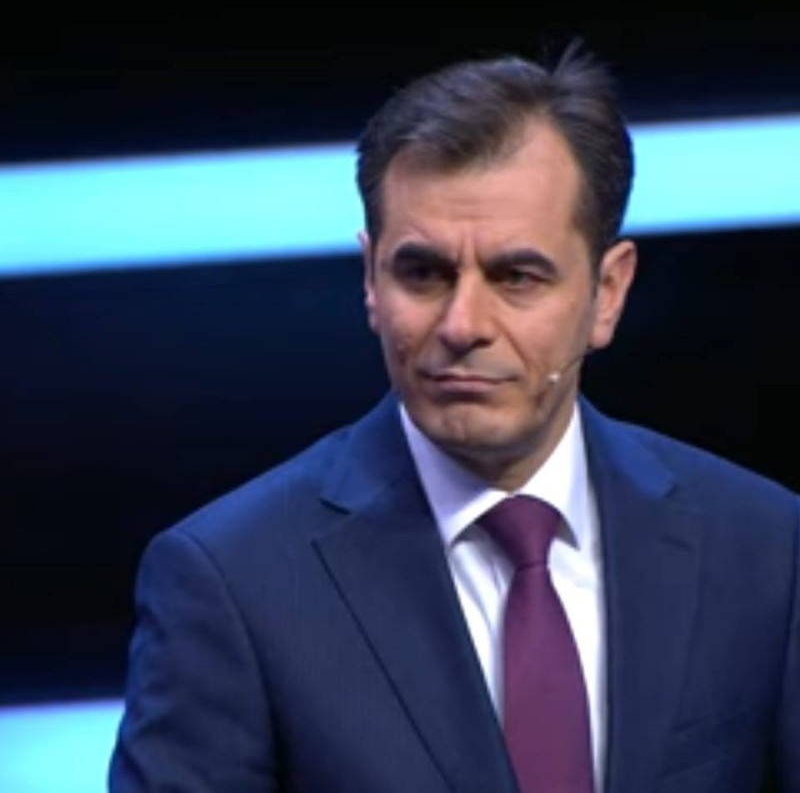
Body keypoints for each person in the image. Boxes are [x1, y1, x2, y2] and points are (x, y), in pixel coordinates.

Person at [109, 43, 800, 793]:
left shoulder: (765, 548)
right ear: (370, 280)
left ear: (607, 292)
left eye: (517, 276)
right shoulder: (231, 582)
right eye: (424, 273)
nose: (463, 324)